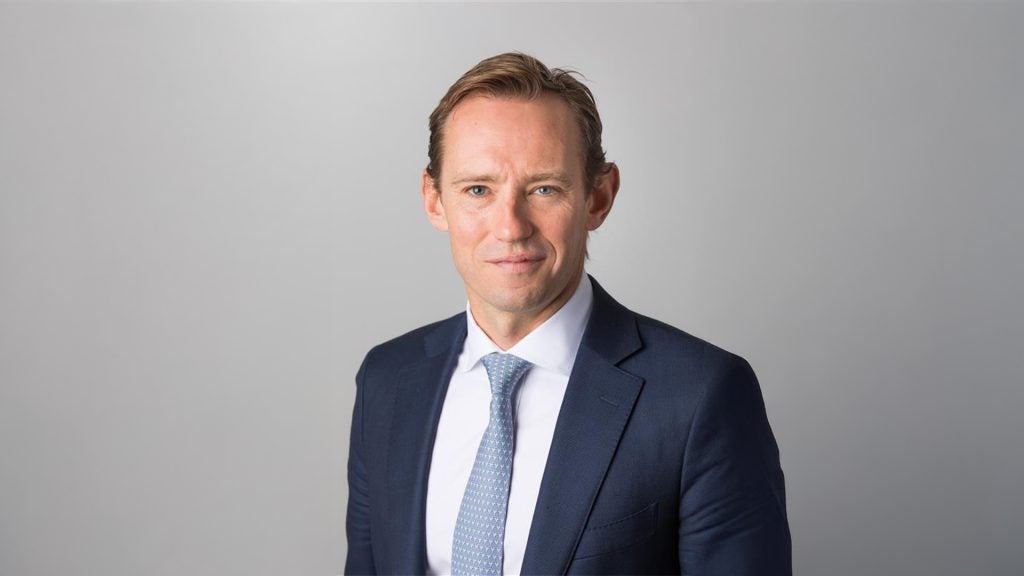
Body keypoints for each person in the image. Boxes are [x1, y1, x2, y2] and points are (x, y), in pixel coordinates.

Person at [344, 52, 791, 575]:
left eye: (544, 189)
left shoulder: (699, 396)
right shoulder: (387, 381)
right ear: (434, 199)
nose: (510, 227)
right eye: (478, 190)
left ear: (598, 197)